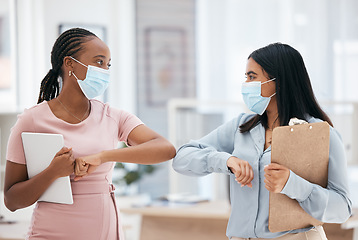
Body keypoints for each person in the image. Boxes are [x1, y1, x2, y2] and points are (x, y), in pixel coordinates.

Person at [4, 27, 176, 240]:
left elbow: (165, 149)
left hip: (104, 232)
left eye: (108, 64)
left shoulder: (112, 116)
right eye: (98, 62)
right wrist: (53, 172)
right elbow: (12, 201)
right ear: (70, 64)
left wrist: (104, 156)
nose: (104, 70)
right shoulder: (32, 120)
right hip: (50, 234)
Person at [172, 43, 352, 239]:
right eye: (246, 77)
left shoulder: (321, 133)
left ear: (279, 81)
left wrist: (293, 184)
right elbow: (181, 158)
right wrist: (226, 161)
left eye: (252, 77)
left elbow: (342, 208)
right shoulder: (241, 126)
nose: (246, 84)